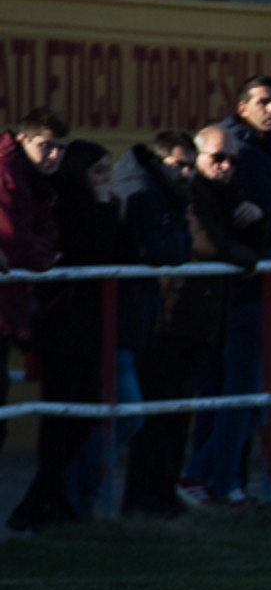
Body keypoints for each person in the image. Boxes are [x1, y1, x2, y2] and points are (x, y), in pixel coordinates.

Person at [179, 77, 271, 506]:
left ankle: (206, 475)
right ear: (242, 107)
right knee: (247, 394)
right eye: (264, 101)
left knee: (268, 392)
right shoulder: (247, 153)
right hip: (248, 293)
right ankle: (213, 479)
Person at [133, 126, 256, 515]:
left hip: (200, 317)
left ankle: (165, 496)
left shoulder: (222, 196)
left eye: (233, 160)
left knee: (178, 416)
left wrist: (250, 232)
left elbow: (259, 237)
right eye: (216, 159)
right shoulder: (183, 198)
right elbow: (206, 246)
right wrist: (246, 255)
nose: (225, 167)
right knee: (158, 416)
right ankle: (147, 500)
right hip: (173, 315)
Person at [8, 142, 123, 532]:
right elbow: (91, 254)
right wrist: (107, 212)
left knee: (81, 418)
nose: (104, 180)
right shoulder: (67, 208)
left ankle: (47, 501)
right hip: (63, 328)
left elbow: (124, 252)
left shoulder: (94, 206)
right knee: (61, 420)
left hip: (87, 328)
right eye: (98, 172)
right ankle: (41, 504)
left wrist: (111, 210)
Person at [106, 131, 195, 515]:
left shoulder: (165, 193)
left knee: (150, 415)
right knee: (129, 416)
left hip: (144, 310)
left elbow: (178, 244)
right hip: (130, 316)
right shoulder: (142, 193)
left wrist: (175, 240)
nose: (187, 173)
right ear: (159, 162)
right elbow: (160, 251)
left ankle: (150, 500)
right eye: (180, 165)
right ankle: (103, 501)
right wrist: (175, 240)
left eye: (191, 165)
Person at [0, 108, 66, 448]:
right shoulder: (7, 171)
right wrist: (42, 256)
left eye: (61, 147)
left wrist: (41, 253)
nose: (55, 155)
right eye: (46, 145)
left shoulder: (31, 175)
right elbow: (16, 243)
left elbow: (45, 237)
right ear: (23, 138)